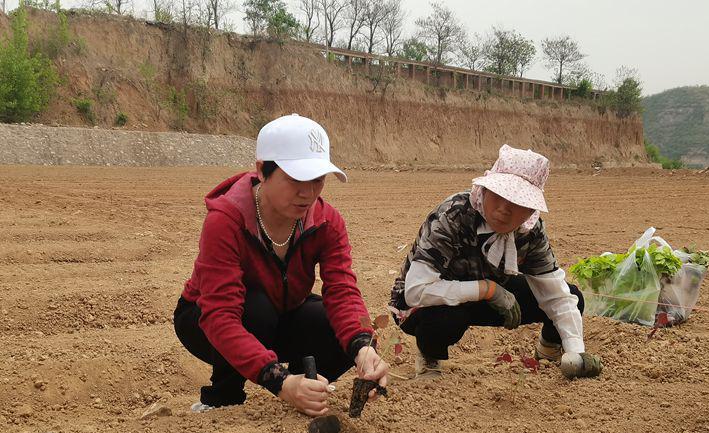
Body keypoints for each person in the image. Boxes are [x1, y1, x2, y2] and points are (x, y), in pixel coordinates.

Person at [174, 114, 388, 416]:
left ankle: (310, 386)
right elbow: (220, 315)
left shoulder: (328, 222)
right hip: (206, 320)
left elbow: (342, 292)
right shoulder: (225, 221)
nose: (308, 192)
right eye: (295, 179)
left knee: (335, 324)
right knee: (255, 309)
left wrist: (364, 348)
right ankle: (222, 396)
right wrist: (280, 382)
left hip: (283, 313)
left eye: (317, 180)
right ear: (263, 170)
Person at [389, 144, 602, 379]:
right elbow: (416, 291)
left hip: (490, 290)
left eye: (517, 202)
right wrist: (488, 290)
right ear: (484, 190)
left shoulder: (530, 231)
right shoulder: (453, 216)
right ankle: (429, 355)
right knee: (445, 319)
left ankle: (549, 348)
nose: (504, 209)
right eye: (499, 196)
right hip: (427, 301)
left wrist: (576, 354)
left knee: (572, 297)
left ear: (531, 209)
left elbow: (556, 295)